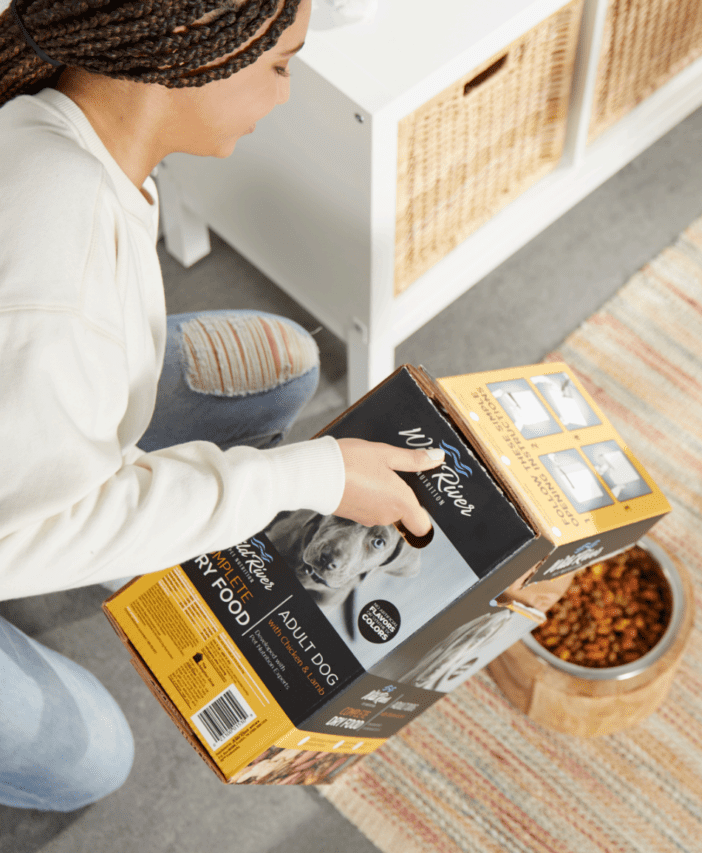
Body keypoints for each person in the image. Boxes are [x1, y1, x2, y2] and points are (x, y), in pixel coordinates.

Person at [0, 0, 440, 812]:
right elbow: (21, 536)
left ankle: (168, 518)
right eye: (280, 65)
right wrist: (297, 476)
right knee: (91, 758)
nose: (284, 95)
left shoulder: (58, 125)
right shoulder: (54, 260)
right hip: (13, 517)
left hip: (28, 402)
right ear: (181, 43)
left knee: (279, 364)